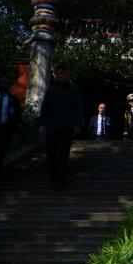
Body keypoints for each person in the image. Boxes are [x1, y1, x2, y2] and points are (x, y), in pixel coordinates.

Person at [39, 62, 83, 190]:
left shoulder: (75, 90)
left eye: (64, 73)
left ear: (68, 74)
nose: (62, 76)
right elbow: (45, 108)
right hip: (51, 126)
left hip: (67, 126)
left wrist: (78, 124)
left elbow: (79, 108)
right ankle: (52, 177)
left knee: (63, 153)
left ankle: (60, 179)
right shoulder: (51, 90)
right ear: (56, 75)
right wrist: (42, 123)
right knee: (51, 153)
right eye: (59, 74)